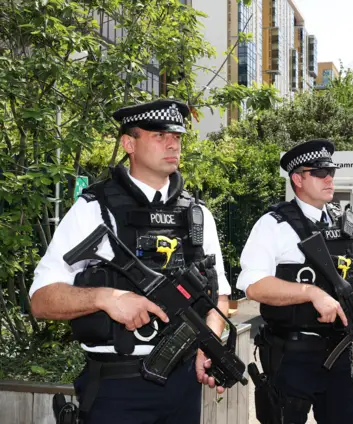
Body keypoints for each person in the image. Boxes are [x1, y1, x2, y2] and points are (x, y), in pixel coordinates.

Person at [29, 100, 231, 423]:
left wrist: (209, 341)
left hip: (183, 388)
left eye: (177, 136)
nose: (172, 143)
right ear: (128, 143)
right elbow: (40, 299)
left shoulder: (198, 216)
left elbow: (218, 296)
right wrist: (106, 298)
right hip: (116, 388)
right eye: (159, 135)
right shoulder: (94, 209)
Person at [237, 139, 353, 423]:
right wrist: (309, 293)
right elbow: (252, 284)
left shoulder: (347, 227)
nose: (329, 178)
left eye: (332, 171)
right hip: (292, 356)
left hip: (342, 355)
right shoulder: (273, 224)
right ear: (297, 179)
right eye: (319, 172)